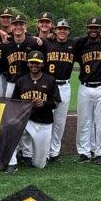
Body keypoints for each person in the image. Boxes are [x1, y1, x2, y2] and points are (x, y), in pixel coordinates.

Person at [7, 50, 61, 174]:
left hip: (43, 123)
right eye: (32, 62)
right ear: (28, 63)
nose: (34, 65)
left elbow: (56, 102)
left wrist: (45, 103)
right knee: (10, 128)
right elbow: (15, 102)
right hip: (26, 121)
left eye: (37, 63)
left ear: (42, 64)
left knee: (39, 165)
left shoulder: (50, 80)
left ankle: (38, 157)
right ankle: (12, 163)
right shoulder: (21, 80)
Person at [73, 17, 101, 165]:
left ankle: (100, 153)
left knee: (100, 122)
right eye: (90, 27)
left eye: (96, 27)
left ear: (100, 28)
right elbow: (72, 40)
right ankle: (84, 152)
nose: (93, 30)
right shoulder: (81, 43)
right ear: (87, 28)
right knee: (84, 121)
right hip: (85, 86)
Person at [44, 19, 76, 163]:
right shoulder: (47, 43)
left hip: (64, 86)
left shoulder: (74, 44)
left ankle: (54, 152)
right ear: (55, 30)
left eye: (65, 29)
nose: (62, 31)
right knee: (46, 119)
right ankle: (43, 150)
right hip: (49, 86)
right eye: (59, 28)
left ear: (68, 31)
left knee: (60, 121)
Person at [2, 14, 44, 98]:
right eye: (15, 24)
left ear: (25, 26)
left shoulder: (33, 42)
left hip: (28, 83)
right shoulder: (6, 43)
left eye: (21, 24)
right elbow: (3, 64)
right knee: (10, 110)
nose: (18, 27)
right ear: (11, 26)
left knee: (28, 110)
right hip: (11, 83)